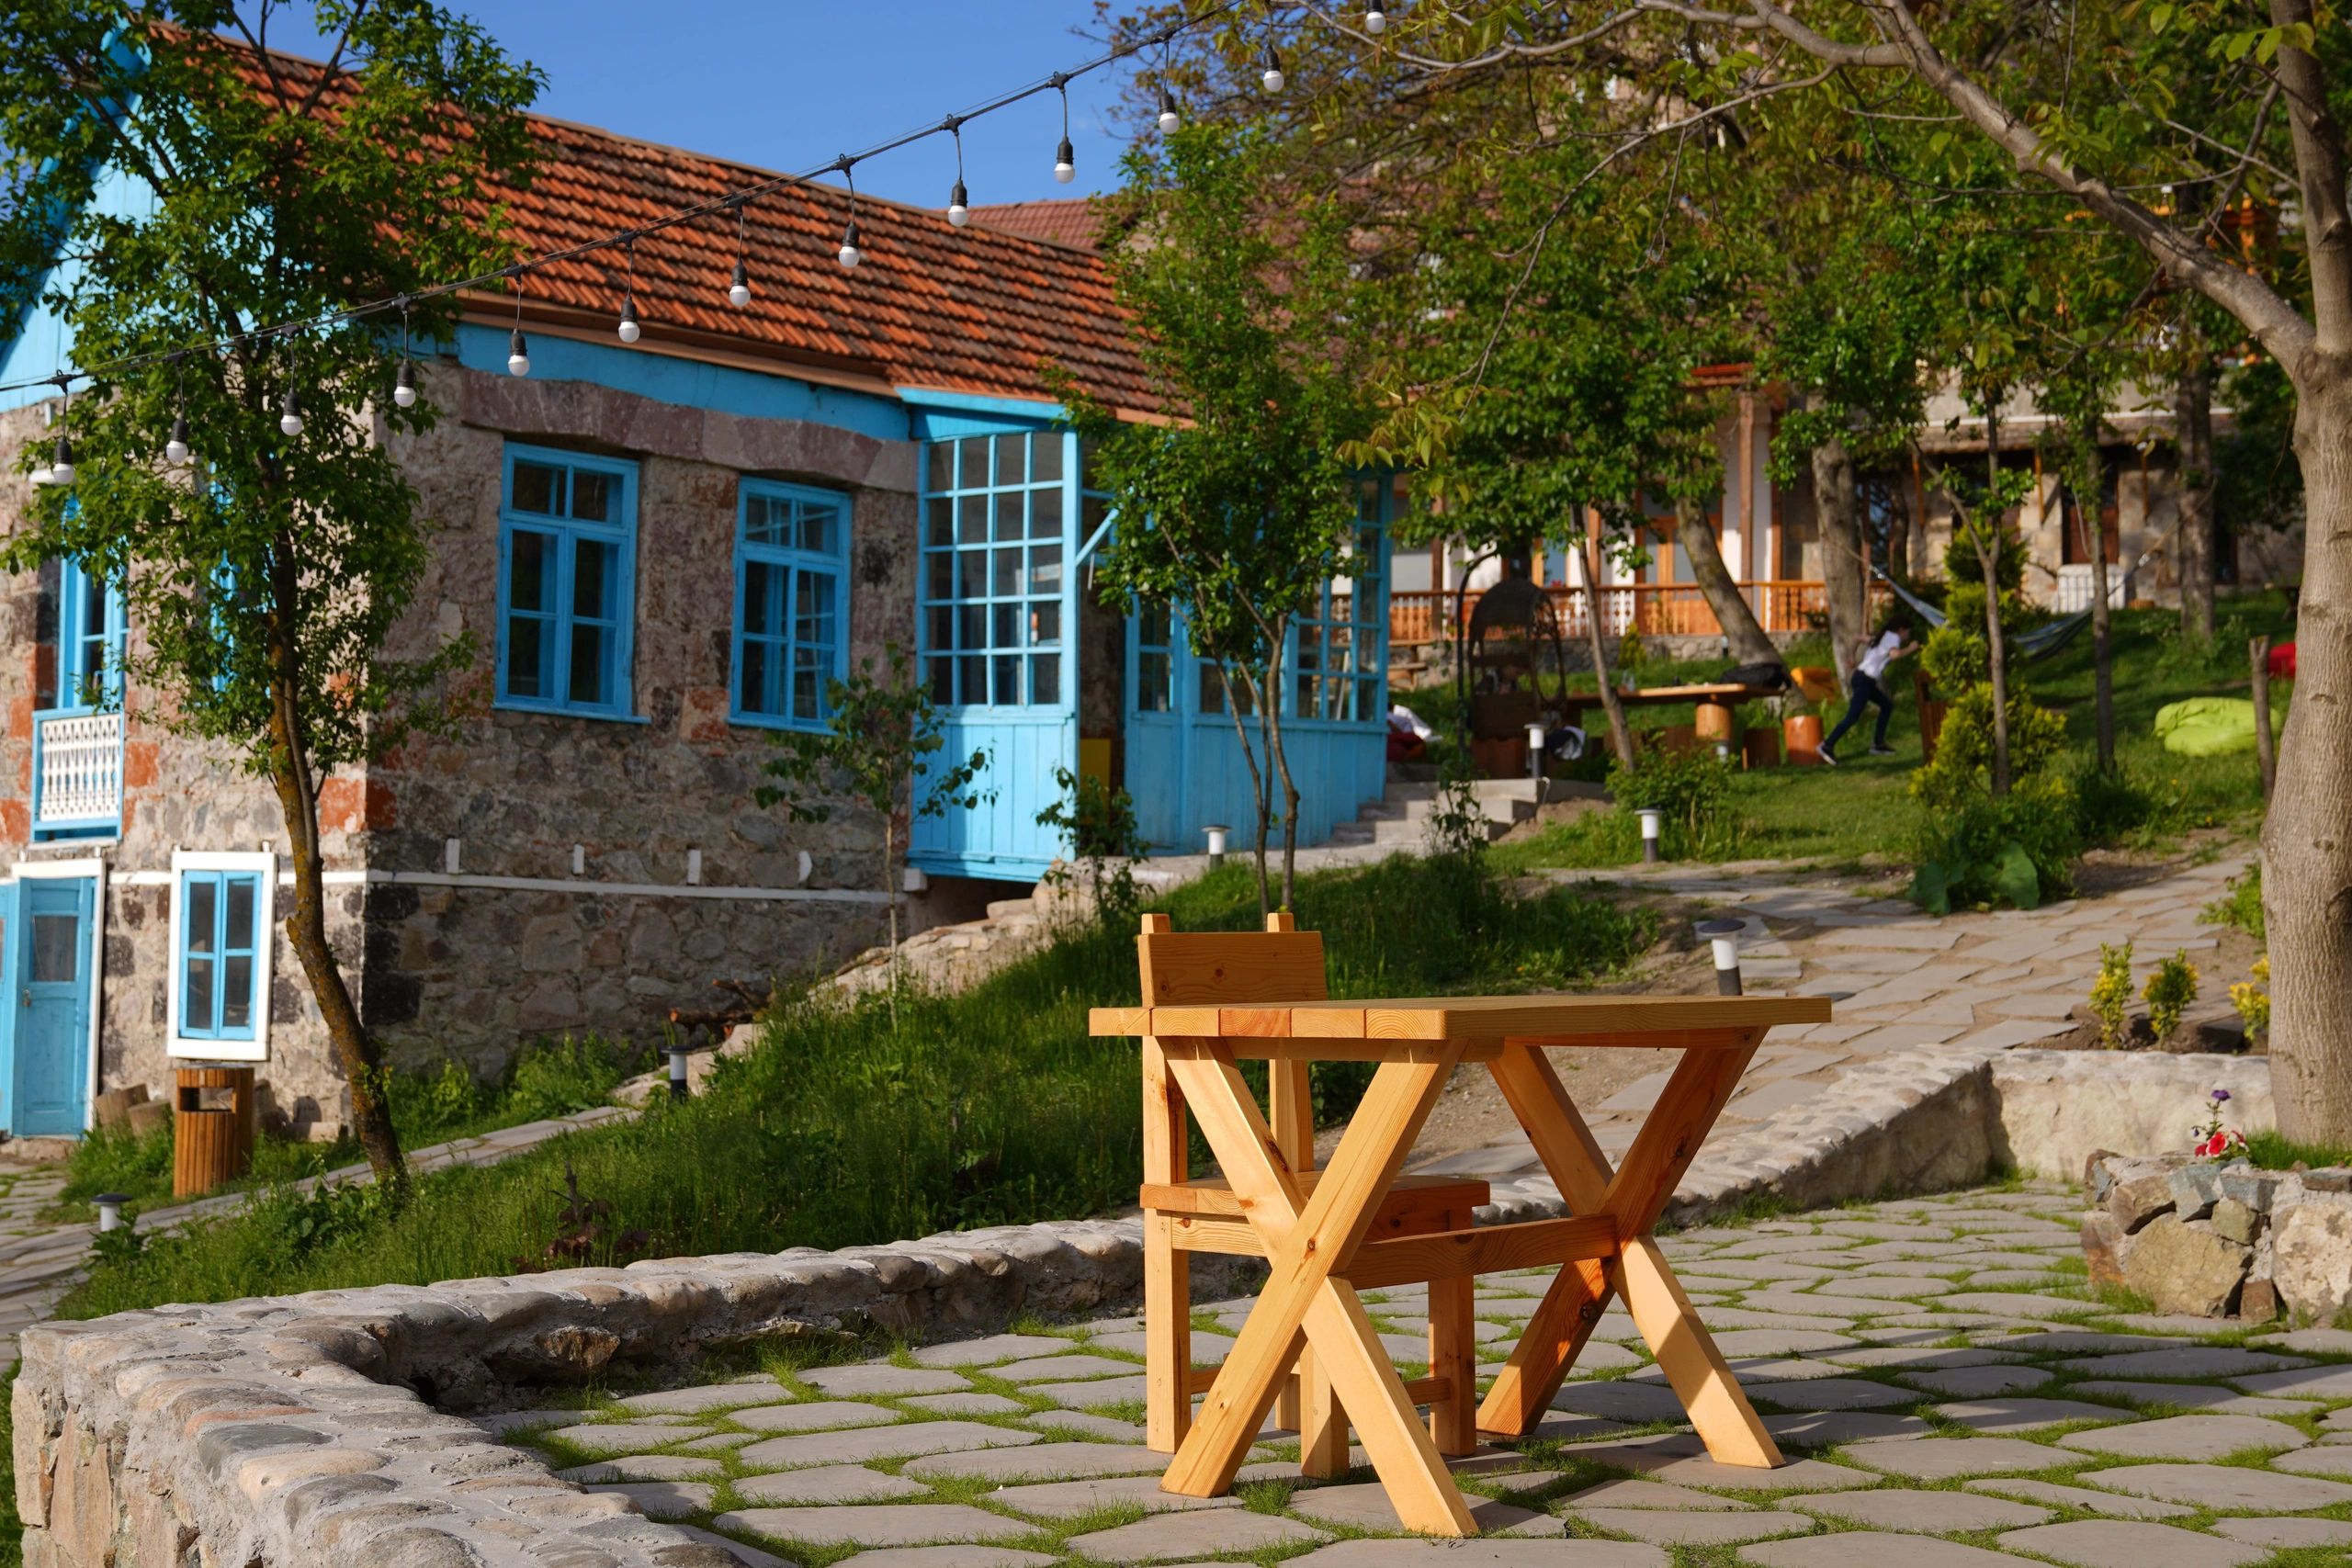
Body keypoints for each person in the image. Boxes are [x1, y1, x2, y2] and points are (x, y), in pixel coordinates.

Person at [1821, 617, 1917, 764]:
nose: (1908, 635)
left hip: (1863, 679)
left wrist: (1851, 656)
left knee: (1887, 705)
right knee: (1852, 717)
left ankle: (1878, 744)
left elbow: (1857, 638)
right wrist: (1911, 648)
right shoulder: (1894, 637)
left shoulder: (1882, 636)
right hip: (1864, 680)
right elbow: (1894, 655)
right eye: (1908, 632)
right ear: (1901, 629)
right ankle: (1827, 745)